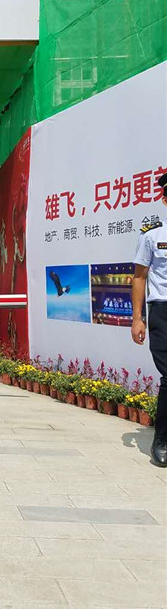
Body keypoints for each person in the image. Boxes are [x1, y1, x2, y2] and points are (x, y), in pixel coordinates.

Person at [132, 171, 167, 467]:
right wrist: (137, 318)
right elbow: (139, 277)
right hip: (162, 311)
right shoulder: (152, 236)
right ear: (165, 200)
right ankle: (162, 440)